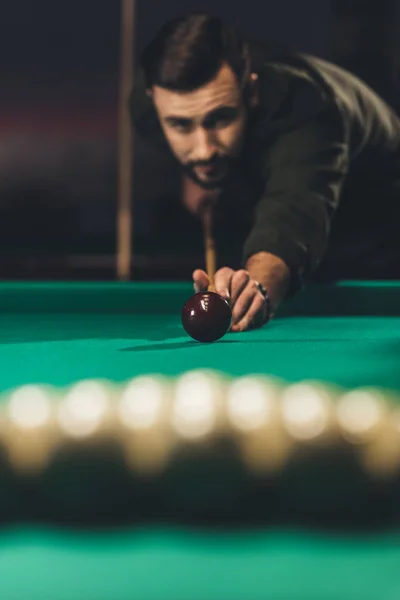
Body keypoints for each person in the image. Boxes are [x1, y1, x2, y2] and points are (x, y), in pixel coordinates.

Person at [129, 13, 400, 332]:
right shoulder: (146, 108)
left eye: (220, 119)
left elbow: (293, 211)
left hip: (380, 229)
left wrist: (257, 284)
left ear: (252, 92)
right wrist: (197, 173)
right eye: (180, 125)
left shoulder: (307, 110)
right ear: (154, 100)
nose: (203, 148)